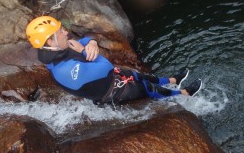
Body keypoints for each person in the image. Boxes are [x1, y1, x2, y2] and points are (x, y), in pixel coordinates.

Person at [26, 16, 202, 104]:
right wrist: (86, 52)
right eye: (60, 32)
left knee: (139, 75)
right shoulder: (64, 70)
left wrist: (92, 43)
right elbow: (105, 66)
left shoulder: (63, 48)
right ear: (50, 42)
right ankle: (184, 94)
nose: (65, 32)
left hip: (108, 78)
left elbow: (86, 41)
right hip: (108, 91)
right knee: (145, 87)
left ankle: (173, 80)